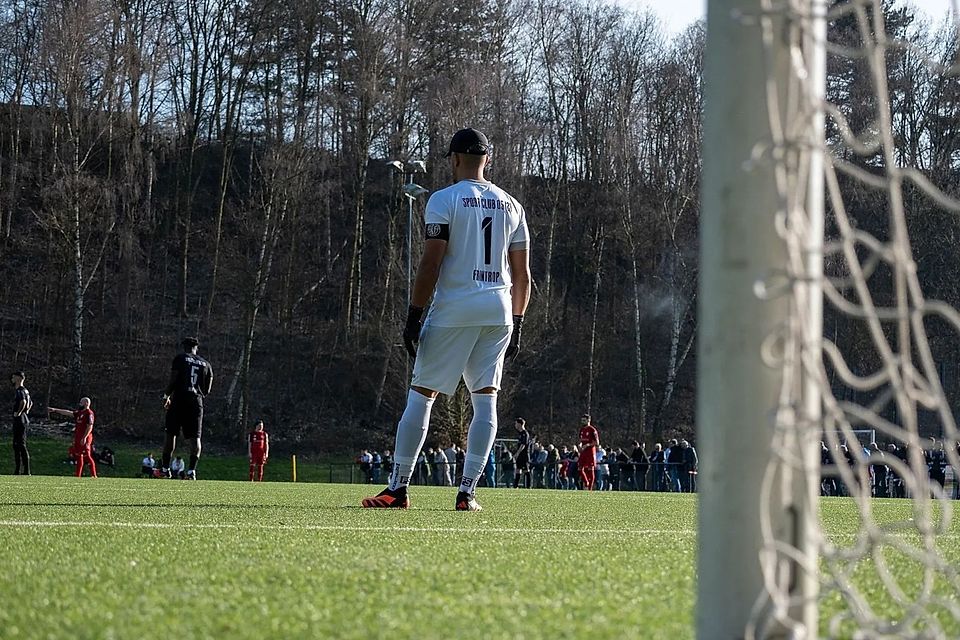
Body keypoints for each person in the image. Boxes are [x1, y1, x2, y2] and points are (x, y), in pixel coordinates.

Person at [362, 127, 531, 512]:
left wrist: (414, 315)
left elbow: (431, 262)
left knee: (422, 395)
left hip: (455, 309)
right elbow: (522, 276)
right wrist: (517, 323)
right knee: (485, 401)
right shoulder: (513, 205)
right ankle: (467, 492)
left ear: (454, 160)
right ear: (488, 160)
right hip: (499, 310)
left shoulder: (442, 199)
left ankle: (398, 488)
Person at [161, 337, 213, 480]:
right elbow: (207, 389)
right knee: (195, 437)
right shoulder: (206, 364)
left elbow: (174, 379)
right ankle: (191, 471)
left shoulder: (180, 358)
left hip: (179, 399)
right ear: (196, 347)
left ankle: (165, 469)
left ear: (185, 347)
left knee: (171, 433)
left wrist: (166, 396)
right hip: (196, 401)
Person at [49, 397, 97, 478]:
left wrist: (84, 437)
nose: (79, 404)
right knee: (78, 455)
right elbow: (68, 413)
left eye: (81, 402)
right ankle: (78, 475)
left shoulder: (89, 413)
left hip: (85, 437)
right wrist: (55, 410)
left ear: (86, 403)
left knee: (87, 456)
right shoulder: (79, 413)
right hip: (78, 437)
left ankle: (94, 475)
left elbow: (90, 426)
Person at [11, 371, 32, 475]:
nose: (12, 379)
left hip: (20, 419)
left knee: (20, 444)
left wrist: (19, 413)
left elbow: (23, 402)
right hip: (23, 418)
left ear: (19, 378)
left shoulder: (20, 390)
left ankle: (26, 471)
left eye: (13, 377)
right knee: (17, 445)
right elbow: (31, 402)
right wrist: (27, 410)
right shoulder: (26, 391)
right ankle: (18, 470)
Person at [578, 414, 600, 491]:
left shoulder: (592, 430)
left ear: (588, 420)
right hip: (583, 451)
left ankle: (590, 489)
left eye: (584, 420)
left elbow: (597, 443)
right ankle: (586, 482)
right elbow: (581, 440)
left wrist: (588, 445)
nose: (583, 422)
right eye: (582, 420)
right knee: (580, 468)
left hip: (590, 451)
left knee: (591, 469)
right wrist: (580, 445)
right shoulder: (582, 430)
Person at [513, 418, 532, 488]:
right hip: (519, 455)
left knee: (526, 470)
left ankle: (528, 486)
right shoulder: (519, 434)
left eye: (516, 423)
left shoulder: (525, 433)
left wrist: (517, 453)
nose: (515, 425)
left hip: (524, 455)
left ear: (519, 424)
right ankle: (515, 486)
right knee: (518, 470)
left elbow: (523, 445)